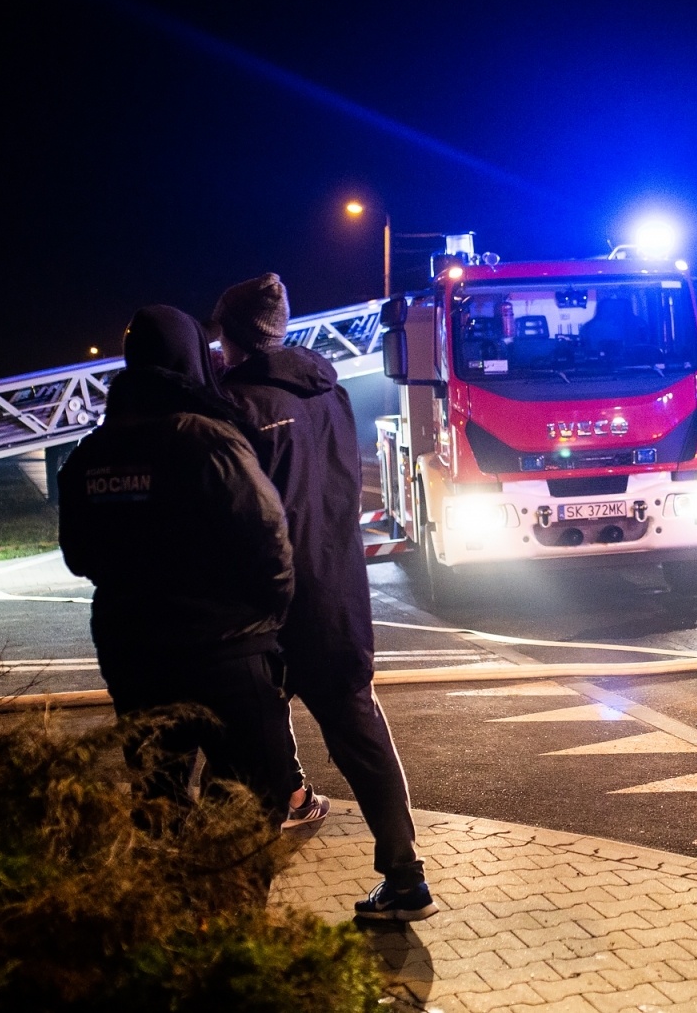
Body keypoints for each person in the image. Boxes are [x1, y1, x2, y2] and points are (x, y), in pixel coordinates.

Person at [211, 273, 435, 920]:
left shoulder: (235, 403)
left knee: (244, 749)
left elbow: (239, 515)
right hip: (337, 592)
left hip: (267, 604)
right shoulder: (329, 391)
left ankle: (236, 909)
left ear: (234, 335)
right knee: (360, 734)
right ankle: (405, 876)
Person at [58, 305, 325, 828]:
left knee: (158, 804)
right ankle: (226, 880)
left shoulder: (90, 455)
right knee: (251, 805)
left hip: (133, 655)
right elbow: (270, 538)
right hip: (226, 653)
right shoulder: (209, 439)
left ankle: (174, 878)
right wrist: (267, 626)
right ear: (193, 358)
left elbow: (78, 555)